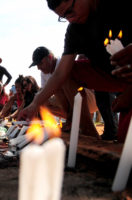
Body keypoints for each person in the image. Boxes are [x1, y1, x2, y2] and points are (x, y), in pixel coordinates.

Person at [19, 0, 132, 142]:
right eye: (64, 17)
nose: (70, 19)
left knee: (126, 143)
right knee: (68, 71)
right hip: (111, 78)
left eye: (70, 11)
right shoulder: (75, 30)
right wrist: (35, 104)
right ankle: (88, 135)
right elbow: (61, 73)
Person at [29, 46, 98, 136]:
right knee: (43, 99)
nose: (38, 68)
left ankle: (87, 128)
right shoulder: (44, 73)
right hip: (73, 103)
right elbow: (43, 94)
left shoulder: (64, 63)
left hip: (90, 99)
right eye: (37, 65)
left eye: (40, 63)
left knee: (60, 82)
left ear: (49, 57)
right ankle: (71, 120)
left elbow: (80, 91)